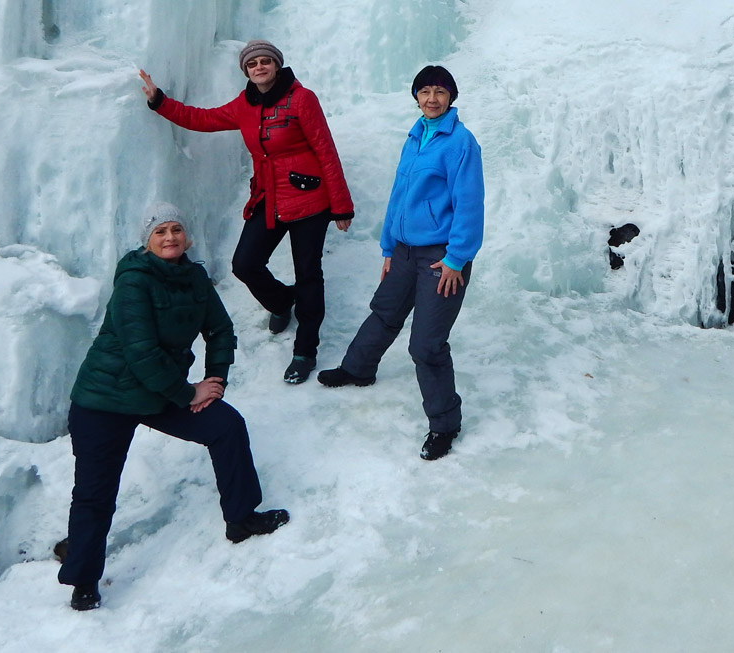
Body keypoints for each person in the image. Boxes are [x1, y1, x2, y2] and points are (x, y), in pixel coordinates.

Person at [58, 201, 288, 612]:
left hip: (160, 393)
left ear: (187, 237)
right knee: (95, 494)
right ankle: (83, 578)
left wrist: (214, 382)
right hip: (105, 400)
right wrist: (187, 394)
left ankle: (241, 518)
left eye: (176, 229)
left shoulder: (194, 277)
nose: (170, 237)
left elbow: (221, 329)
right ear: (146, 241)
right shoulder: (133, 282)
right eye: (160, 231)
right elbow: (142, 354)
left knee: (226, 426)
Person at [140, 40, 353, 385]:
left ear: (277, 66)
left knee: (309, 274)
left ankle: (305, 351)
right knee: (245, 264)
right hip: (269, 197)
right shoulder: (245, 105)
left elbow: (325, 150)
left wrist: (341, 206)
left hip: (308, 198)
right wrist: (159, 102)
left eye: (266, 61)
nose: (259, 67)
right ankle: (283, 301)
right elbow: (203, 119)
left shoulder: (302, 98)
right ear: (246, 71)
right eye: (252, 63)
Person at [318, 65, 483, 462]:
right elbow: (399, 195)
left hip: (442, 257)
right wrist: (389, 247)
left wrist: (456, 259)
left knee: (426, 345)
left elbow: (469, 205)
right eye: (425, 91)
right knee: (384, 312)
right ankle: (358, 368)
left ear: (451, 97)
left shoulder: (461, 142)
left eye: (440, 91)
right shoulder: (415, 137)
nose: (432, 98)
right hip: (405, 251)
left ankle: (444, 424)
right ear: (415, 97)